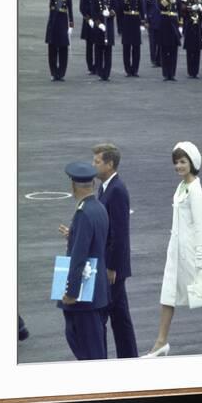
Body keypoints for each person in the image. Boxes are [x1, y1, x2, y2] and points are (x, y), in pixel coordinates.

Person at [143, 142, 202, 358]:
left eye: (183, 162)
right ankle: (161, 342)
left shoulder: (195, 188)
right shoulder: (181, 186)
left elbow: (200, 223)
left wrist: (198, 252)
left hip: (191, 251)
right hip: (175, 250)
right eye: (176, 162)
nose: (178, 166)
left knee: (201, 293)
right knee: (168, 293)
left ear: (192, 163)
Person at [57, 161, 110, 361]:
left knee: (87, 351)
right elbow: (97, 243)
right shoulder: (99, 208)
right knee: (97, 347)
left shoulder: (82, 214)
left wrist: (71, 293)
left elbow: (78, 259)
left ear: (73, 186)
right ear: (93, 184)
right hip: (99, 292)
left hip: (84, 297)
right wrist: (74, 235)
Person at [92, 143, 139, 359]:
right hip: (110, 266)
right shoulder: (104, 188)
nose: (94, 165)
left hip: (112, 269)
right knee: (120, 317)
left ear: (110, 164)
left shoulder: (117, 190)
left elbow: (120, 234)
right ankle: (129, 358)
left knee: (107, 315)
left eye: (97, 161)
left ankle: (120, 358)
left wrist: (111, 267)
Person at [34, 0, 74, 82]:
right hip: (53, 19)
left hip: (63, 19)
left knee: (63, 47)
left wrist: (71, 21)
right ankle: (53, 73)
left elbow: (70, 6)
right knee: (52, 48)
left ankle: (61, 73)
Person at [117, 0, 146, 77]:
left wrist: (143, 20)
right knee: (126, 46)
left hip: (135, 20)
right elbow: (120, 9)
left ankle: (135, 69)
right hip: (127, 19)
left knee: (136, 46)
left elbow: (142, 8)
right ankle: (128, 70)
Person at [91, 0, 117, 81]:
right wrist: (98, 22)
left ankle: (107, 72)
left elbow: (116, 6)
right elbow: (93, 10)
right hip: (100, 24)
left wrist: (112, 12)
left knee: (108, 50)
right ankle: (100, 71)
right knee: (98, 49)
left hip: (109, 24)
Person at [157, 0, 183, 81]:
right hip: (164, 23)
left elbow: (180, 11)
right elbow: (160, 7)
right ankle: (165, 73)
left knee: (173, 50)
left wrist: (181, 24)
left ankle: (172, 73)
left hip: (174, 23)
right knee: (164, 50)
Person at [180, 0, 202, 78]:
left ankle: (196, 71)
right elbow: (182, 11)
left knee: (197, 51)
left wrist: (201, 10)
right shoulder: (184, 2)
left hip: (197, 29)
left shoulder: (198, 2)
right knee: (190, 52)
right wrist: (190, 8)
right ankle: (190, 71)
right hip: (189, 29)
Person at [144, 0, 162, 67]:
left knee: (161, 40)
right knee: (153, 41)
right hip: (151, 19)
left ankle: (160, 59)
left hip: (161, 20)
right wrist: (146, 20)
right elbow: (144, 6)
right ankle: (154, 59)